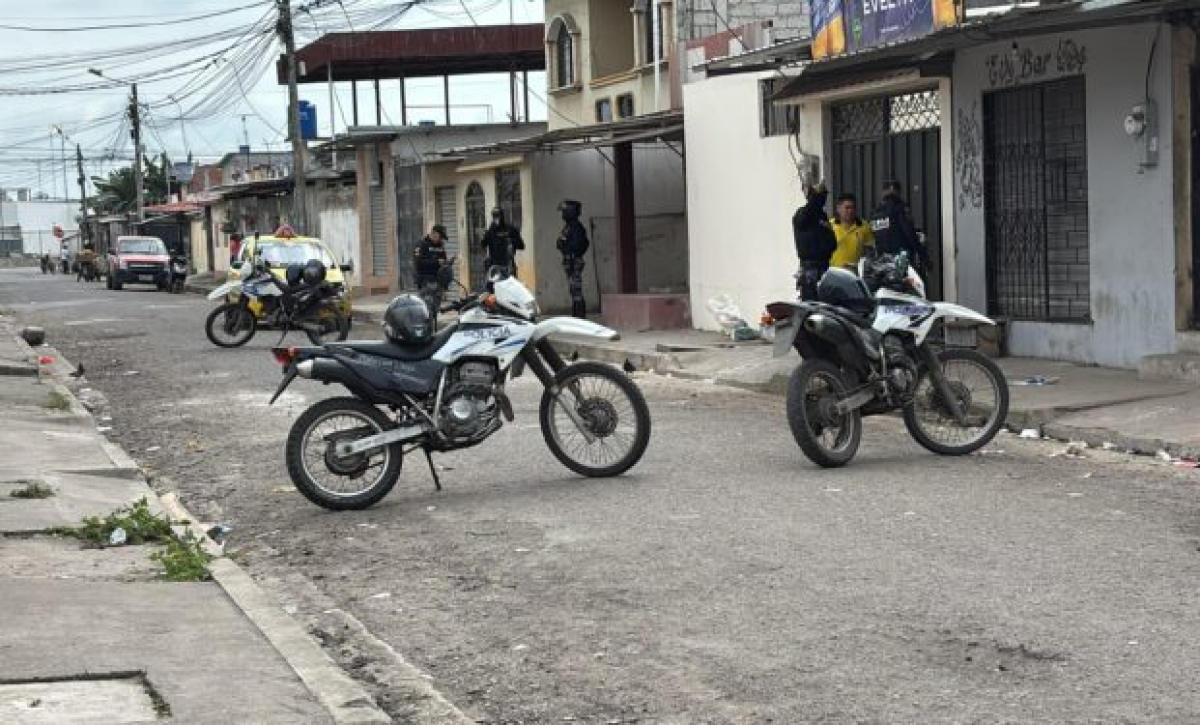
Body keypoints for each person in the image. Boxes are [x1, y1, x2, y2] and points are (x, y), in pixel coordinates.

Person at [869, 180, 927, 273]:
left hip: (882, 263)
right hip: (901, 261)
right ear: (894, 190)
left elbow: (874, 238)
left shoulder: (875, 213)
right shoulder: (899, 208)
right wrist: (924, 257)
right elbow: (909, 233)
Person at [792, 182, 837, 300]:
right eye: (821, 196)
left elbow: (831, 239)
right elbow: (803, 220)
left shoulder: (822, 216)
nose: (824, 199)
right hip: (810, 270)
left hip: (824, 268)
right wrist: (813, 196)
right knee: (812, 306)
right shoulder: (802, 214)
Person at [556, 200, 590, 319]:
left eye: (564, 211)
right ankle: (576, 316)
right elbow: (559, 242)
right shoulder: (568, 227)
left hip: (574, 261)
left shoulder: (577, 227)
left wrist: (566, 245)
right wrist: (563, 244)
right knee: (573, 291)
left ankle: (580, 317)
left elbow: (580, 245)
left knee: (576, 291)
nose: (563, 214)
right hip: (568, 260)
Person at [414, 225, 449, 319]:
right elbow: (419, 263)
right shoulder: (421, 244)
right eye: (440, 236)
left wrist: (444, 288)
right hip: (426, 282)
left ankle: (432, 330)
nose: (441, 239)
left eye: (442, 238)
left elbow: (444, 263)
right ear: (434, 233)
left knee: (434, 312)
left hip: (438, 283)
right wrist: (436, 262)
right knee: (425, 311)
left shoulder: (440, 246)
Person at [829, 193, 874, 269]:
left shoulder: (864, 226)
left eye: (853, 208)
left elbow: (870, 250)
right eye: (847, 208)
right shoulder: (829, 226)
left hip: (855, 273)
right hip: (833, 272)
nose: (850, 211)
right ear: (838, 208)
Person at [480, 207, 524, 280]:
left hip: (508, 266)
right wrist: (483, 236)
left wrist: (512, 241)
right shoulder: (490, 231)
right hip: (495, 267)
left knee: (510, 287)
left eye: (498, 216)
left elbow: (521, 246)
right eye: (495, 216)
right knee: (496, 288)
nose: (497, 219)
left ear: (502, 216)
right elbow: (483, 245)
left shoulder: (510, 229)